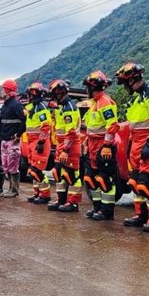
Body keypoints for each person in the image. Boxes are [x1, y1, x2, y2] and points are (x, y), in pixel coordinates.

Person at [116, 62, 149, 231]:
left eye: (125, 84)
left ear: (132, 80)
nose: (124, 88)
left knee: (146, 183)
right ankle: (141, 215)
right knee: (135, 182)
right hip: (137, 144)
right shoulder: (137, 99)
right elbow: (134, 127)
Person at [81, 71, 121, 220]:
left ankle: (107, 211)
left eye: (87, 88)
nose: (86, 90)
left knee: (104, 179)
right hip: (92, 144)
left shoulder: (105, 102)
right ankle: (97, 207)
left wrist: (107, 145)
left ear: (93, 87)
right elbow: (91, 127)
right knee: (90, 178)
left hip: (103, 144)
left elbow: (112, 125)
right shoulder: (94, 104)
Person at [47, 79, 82, 212]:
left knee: (72, 175)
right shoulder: (60, 107)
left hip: (70, 146)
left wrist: (66, 150)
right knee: (58, 173)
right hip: (61, 145)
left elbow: (71, 132)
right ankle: (61, 200)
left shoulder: (70, 108)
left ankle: (73, 203)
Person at [23, 83, 53, 204]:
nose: (30, 96)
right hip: (31, 141)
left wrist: (41, 141)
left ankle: (45, 195)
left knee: (37, 170)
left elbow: (45, 126)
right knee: (32, 170)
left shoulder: (41, 108)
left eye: (31, 94)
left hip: (38, 141)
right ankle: (37, 193)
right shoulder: (32, 107)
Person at [0, 79, 26, 198]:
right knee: (6, 165)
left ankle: (14, 189)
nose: (1, 91)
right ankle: (10, 188)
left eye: (3, 89)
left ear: (8, 90)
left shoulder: (16, 104)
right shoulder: (5, 105)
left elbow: (24, 121)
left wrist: (18, 135)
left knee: (13, 165)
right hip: (4, 139)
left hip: (12, 140)